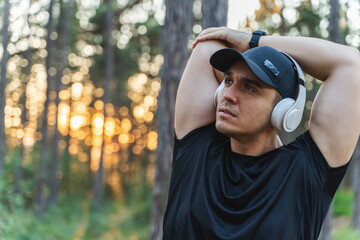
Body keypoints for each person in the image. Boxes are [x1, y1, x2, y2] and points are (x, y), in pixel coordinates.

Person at [162, 27, 360, 240]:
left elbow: (350, 63)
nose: (228, 95)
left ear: (284, 111)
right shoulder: (196, 150)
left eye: (250, 88)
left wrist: (252, 41)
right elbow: (208, 46)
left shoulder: (305, 171)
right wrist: (251, 50)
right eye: (228, 81)